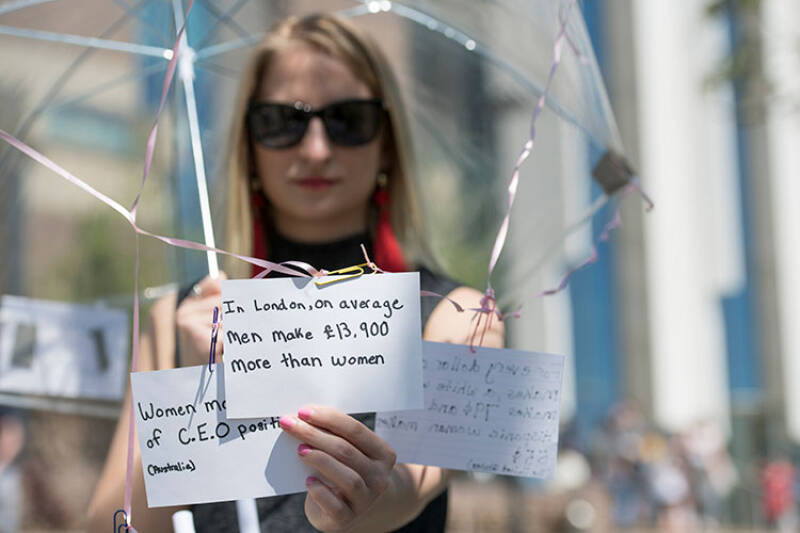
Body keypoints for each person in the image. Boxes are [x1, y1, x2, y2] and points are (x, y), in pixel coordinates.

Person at [88, 12, 503, 533]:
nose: (315, 149)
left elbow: (412, 489)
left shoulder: (462, 319)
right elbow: (107, 525)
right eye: (282, 122)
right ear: (249, 147)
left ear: (387, 142)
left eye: (348, 120)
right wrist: (185, 407)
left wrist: (364, 494)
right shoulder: (178, 318)